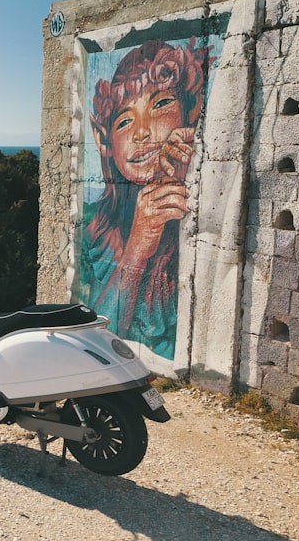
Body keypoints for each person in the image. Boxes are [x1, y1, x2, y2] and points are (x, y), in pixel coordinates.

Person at [79, 38, 214, 360]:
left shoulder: (210, 194)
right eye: (124, 121)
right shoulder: (91, 225)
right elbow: (94, 336)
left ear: (191, 109)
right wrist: (138, 246)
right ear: (104, 140)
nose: (142, 131)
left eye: (161, 105)